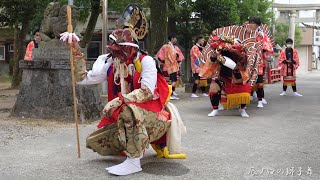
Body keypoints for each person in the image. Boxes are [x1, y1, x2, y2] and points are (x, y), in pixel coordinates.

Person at [61, 26, 186, 176]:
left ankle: (134, 162)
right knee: (96, 142)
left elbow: (147, 92)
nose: (115, 53)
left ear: (130, 48)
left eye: (119, 49)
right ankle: (129, 146)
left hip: (156, 116)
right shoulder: (111, 62)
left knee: (128, 109)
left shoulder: (146, 61)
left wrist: (120, 101)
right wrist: (75, 50)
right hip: (129, 115)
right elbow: (82, 78)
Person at [156, 33, 184, 100]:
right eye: (175, 38)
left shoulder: (167, 46)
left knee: (172, 80)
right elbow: (172, 56)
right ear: (172, 38)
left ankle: (171, 93)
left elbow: (160, 56)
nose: (176, 39)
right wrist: (176, 56)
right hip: (171, 66)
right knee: (172, 80)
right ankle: (170, 94)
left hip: (169, 66)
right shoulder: (168, 46)